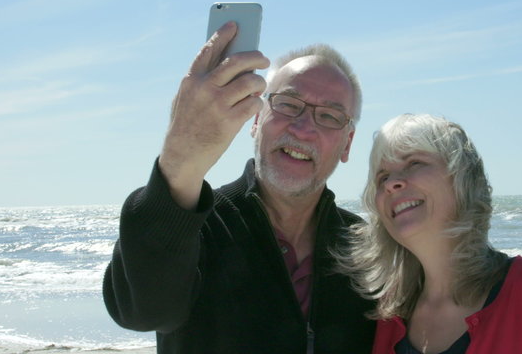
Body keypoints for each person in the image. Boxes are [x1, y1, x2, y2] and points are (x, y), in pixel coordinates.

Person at [102, 21, 375, 353]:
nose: (303, 128)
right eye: (288, 104)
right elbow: (141, 312)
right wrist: (178, 157)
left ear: (347, 144)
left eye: (330, 116)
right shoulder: (196, 226)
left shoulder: (367, 250)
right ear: (257, 121)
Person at [334, 113, 522, 354]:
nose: (393, 183)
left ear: (463, 178)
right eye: (382, 177)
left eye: (414, 162)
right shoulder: (386, 313)